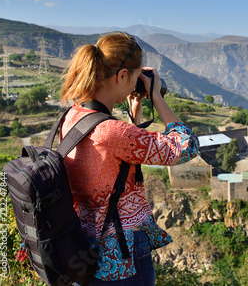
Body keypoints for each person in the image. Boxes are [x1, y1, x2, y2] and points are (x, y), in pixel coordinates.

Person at [60, 32, 199, 285]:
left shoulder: (71, 116)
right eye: (135, 77)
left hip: (84, 250)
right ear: (122, 76)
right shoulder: (114, 133)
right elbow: (186, 147)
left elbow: (113, 156)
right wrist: (156, 96)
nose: (138, 82)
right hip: (122, 257)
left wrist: (135, 113)